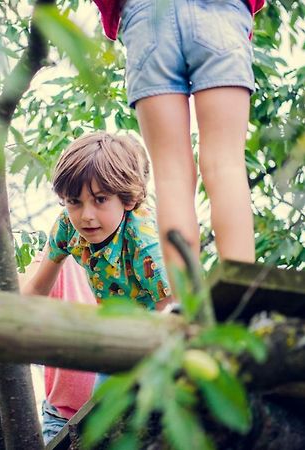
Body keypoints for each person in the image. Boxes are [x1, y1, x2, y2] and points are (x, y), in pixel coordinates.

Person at [92, 0, 265, 287]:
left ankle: (187, 300)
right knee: (226, 165)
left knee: (171, 174)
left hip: (147, 14)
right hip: (220, 11)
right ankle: (242, 290)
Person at [22, 131, 171, 312]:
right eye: (74, 201)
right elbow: (38, 288)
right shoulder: (67, 225)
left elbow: (170, 309)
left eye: (100, 199)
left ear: (128, 200)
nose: (86, 216)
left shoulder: (144, 242)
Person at [22, 255, 97, 444]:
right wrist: (54, 250)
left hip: (124, 410)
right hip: (63, 419)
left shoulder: (139, 248)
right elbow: (17, 306)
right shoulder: (62, 256)